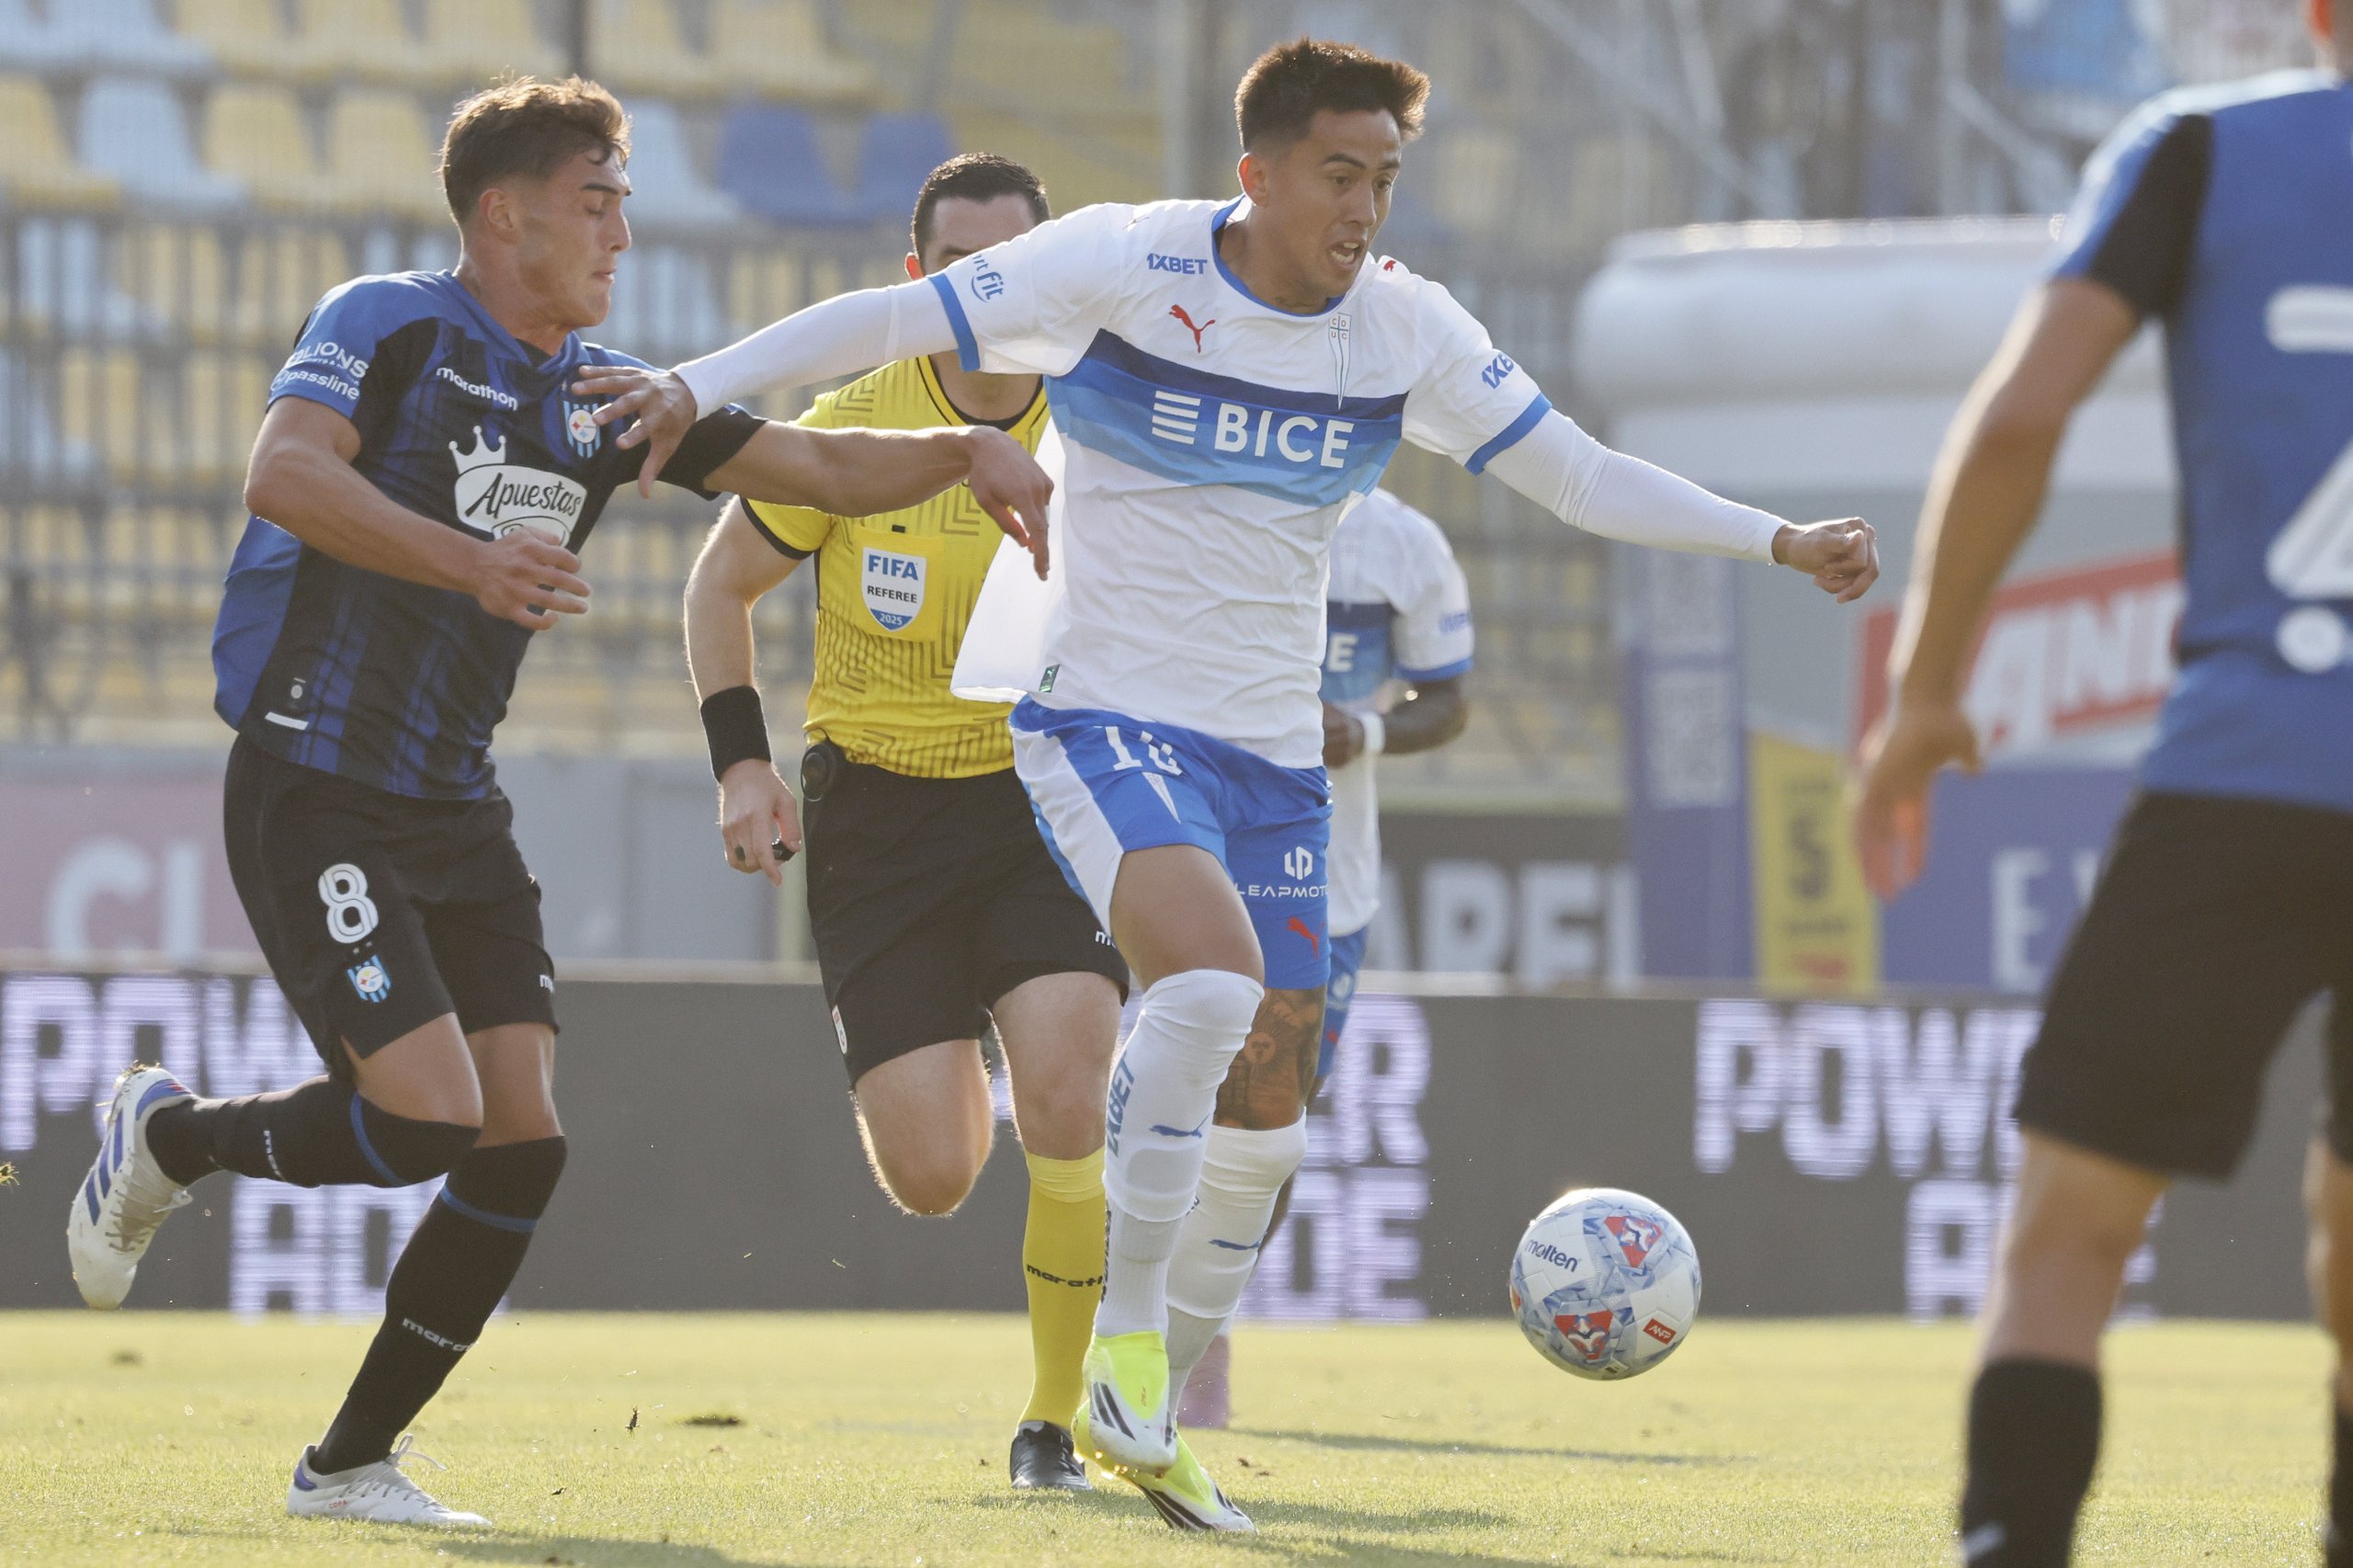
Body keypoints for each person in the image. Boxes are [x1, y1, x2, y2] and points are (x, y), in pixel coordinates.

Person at [574, 37, 1877, 1531]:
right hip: (1100, 715)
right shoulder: (1127, 264)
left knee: (1269, 1123)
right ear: (1256, 172)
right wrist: (691, 381)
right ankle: (1127, 1362)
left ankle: (1144, 1399)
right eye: (1339, 175)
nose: (1363, 209)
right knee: (1202, 988)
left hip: (1270, 755)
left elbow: (1578, 473)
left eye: (1385, 180)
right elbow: (884, 315)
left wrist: (1774, 538)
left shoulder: (1405, 329)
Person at [63, 76, 1051, 1530]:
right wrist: (469, 561)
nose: (620, 236)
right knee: (426, 1118)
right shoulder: (386, 321)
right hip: (317, 781)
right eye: (596, 204)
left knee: (520, 1140)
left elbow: (815, 465)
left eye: (624, 207)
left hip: (453, 803)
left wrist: (963, 451)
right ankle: (170, 1139)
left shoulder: (608, 395)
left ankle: (347, 1465)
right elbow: (283, 473)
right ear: (503, 213)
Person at [1851, 6, 2353, 1562]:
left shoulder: (2201, 151)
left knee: (2070, 1236)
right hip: (2252, 775)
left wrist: (1928, 690)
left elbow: (2020, 417)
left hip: (2247, 780)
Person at [683, 152, 1125, 1494]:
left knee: (1067, 1094)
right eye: (965, 268)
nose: (994, 292)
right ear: (918, 278)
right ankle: (972, 1027)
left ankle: (1056, 1418)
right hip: (877, 816)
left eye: (1017, 267)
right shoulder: (854, 427)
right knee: (933, 1173)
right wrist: (741, 765)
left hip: (1045, 799)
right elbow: (717, 588)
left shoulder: (1109, 420)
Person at [1176, 483, 1474, 1428]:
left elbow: (1450, 699)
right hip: (1178, 838)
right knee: (1161, 1090)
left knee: (1269, 1116)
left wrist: (1370, 729)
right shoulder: (1197, 497)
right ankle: (1129, 1327)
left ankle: (1204, 1323)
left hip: (1324, 879)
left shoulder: (1402, 543)